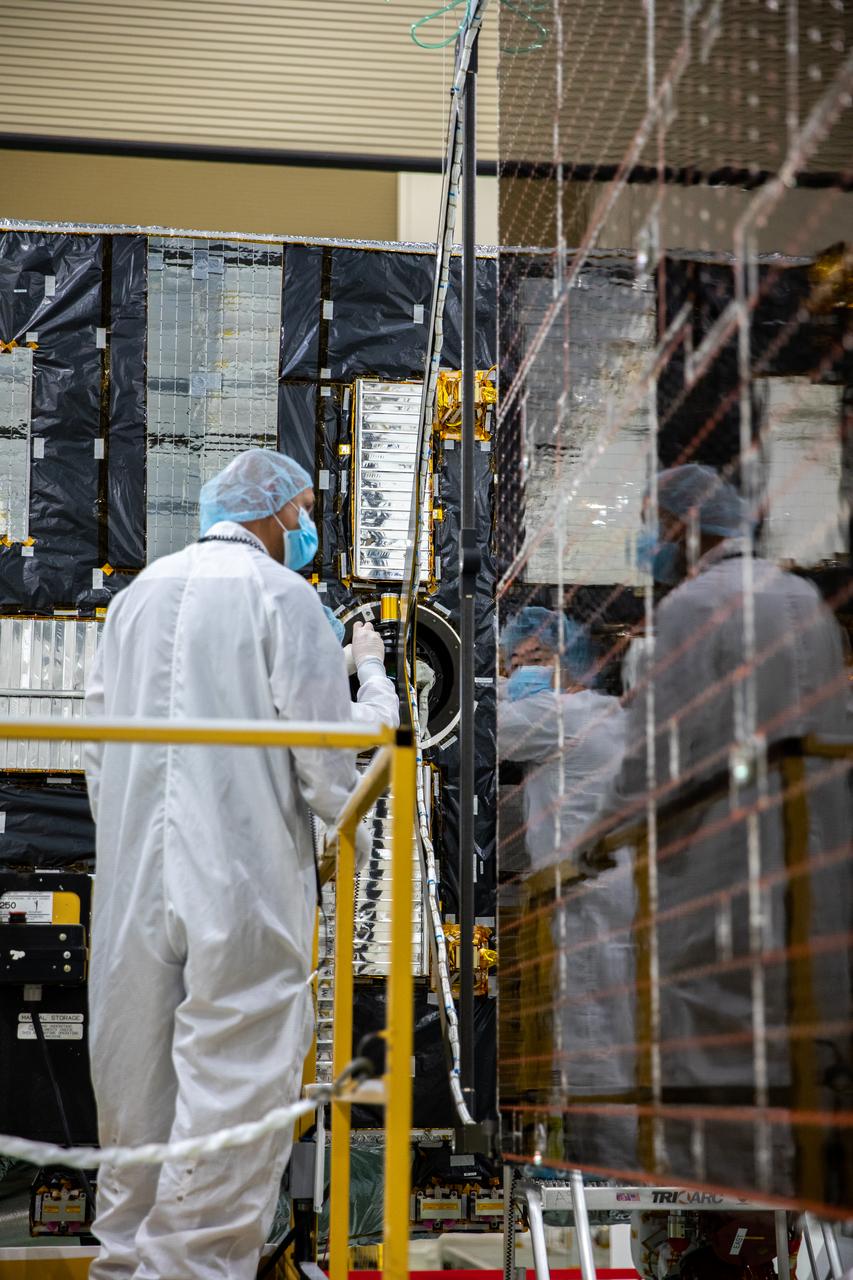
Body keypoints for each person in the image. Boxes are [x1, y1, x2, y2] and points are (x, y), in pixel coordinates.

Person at [83, 448, 375, 1280]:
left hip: (134, 883)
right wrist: (375, 684)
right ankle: (196, 1268)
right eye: (304, 509)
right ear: (273, 511)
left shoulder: (137, 597)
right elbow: (329, 773)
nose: (307, 525)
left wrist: (134, 839)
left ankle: (125, 1265)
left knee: (136, 1094)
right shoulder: (284, 595)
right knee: (235, 1085)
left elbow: (98, 755)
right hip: (241, 882)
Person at [602, 462, 851, 1191]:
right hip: (813, 857)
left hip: (719, 860)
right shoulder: (800, 598)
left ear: (681, 526)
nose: (647, 543)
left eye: (651, 525)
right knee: (805, 1037)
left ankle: (722, 1212)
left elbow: (658, 753)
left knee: (714, 1041)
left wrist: (602, 837)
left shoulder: (693, 606)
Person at [498, 607, 635, 1167]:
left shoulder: (563, 715)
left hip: (588, 902)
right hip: (607, 893)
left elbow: (479, 728)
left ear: (572, 663)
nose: (521, 672)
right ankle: (609, 1179)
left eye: (536, 659)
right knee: (602, 1037)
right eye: (513, 663)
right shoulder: (605, 714)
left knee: (593, 1041)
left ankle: (612, 1189)